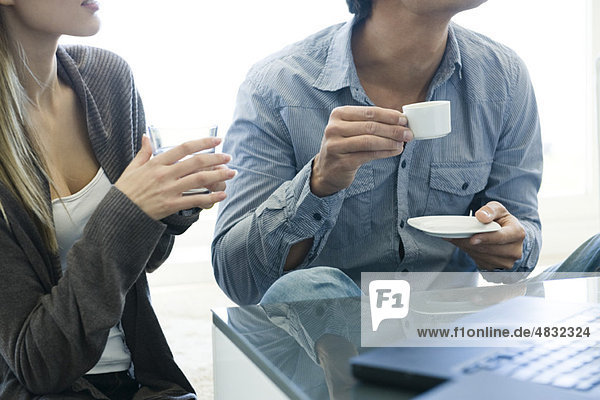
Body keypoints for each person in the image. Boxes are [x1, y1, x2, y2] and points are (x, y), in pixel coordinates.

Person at [212, 0, 544, 305]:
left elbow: (521, 234)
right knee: (307, 286)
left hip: (445, 321)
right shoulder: (278, 87)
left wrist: (509, 245)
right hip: (332, 334)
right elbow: (239, 280)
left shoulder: (504, 77)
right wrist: (319, 183)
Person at [0, 1, 235, 398]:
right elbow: (37, 364)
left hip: (142, 376)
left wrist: (170, 204)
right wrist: (128, 209)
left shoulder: (109, 80)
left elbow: (143, 264)